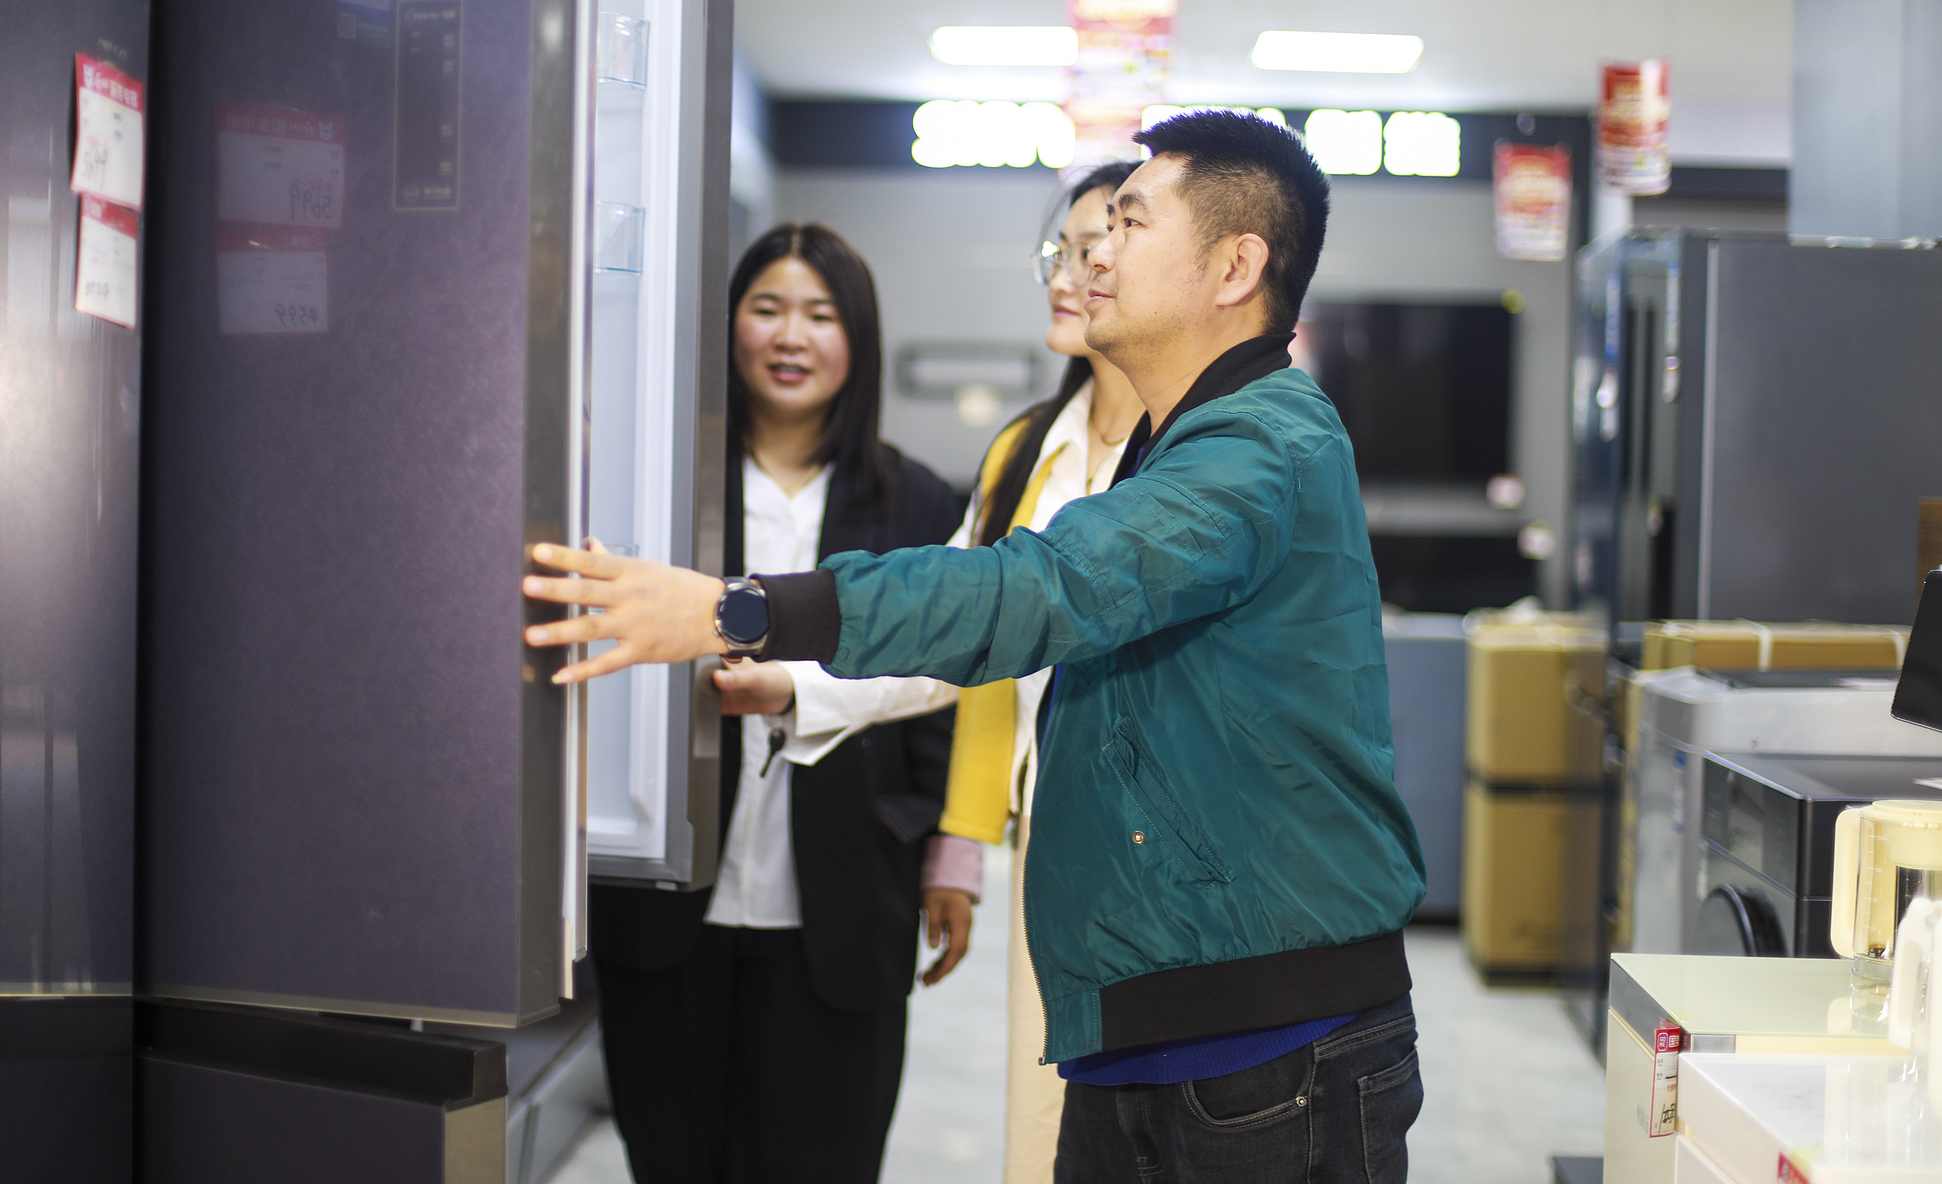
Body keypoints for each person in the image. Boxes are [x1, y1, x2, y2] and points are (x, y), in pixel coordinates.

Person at [527, 112, 1428, 1184]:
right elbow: (987, 628)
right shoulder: (1159, 442)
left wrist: (741, 608)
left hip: (1266, 1035)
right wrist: (788, 684)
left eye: (1129, 222)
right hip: (1139, 1014)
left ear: (1234, 266)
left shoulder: (1259, 444)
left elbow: (1034, 590)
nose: (1093, 249)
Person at [585, 223, 972, 1184]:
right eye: (766, 309)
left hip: (842, 903)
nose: (790, 336)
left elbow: (945, 693)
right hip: (669, 908)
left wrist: (945, 851)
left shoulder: (917, 503)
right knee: (674, 1160)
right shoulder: (659, 487)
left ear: (859, 339)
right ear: (729, 328)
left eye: (819, 314)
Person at [921, 158, 1146, 1184]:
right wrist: (964, 841)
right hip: (1046, 862)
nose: (1070, 269)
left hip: (1171, 873)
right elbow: (963, 643)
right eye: (1061, 246)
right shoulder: (1025, 449)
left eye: (1103, 243)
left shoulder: (1208, 451)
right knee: (1044, 1137)